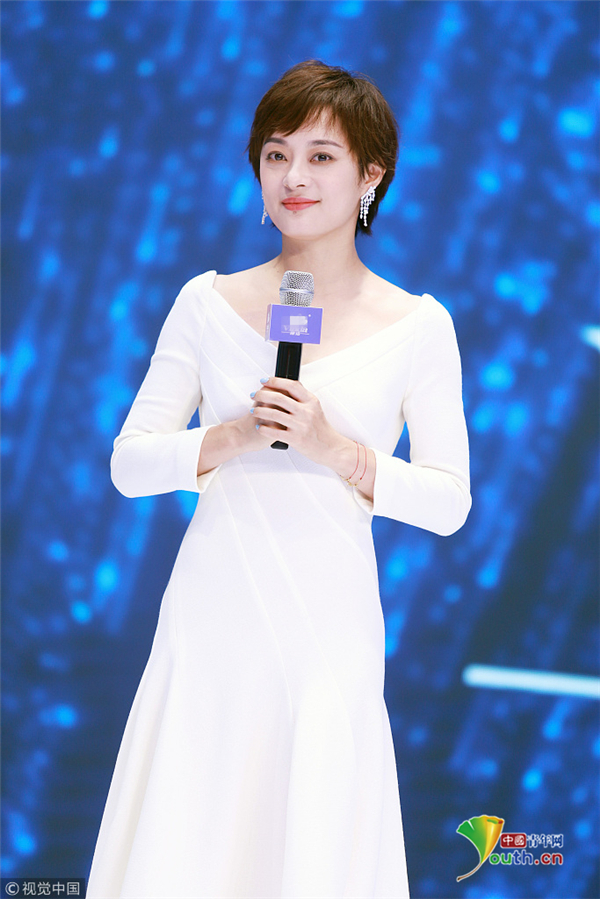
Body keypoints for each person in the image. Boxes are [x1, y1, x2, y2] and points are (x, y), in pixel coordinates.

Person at [87, 60, 471, 899]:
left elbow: (449, 501)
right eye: (276, 154)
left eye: (322, 156)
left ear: (371, 177)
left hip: (329, 621)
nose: (294, 176)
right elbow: (129, 462)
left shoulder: (419, 326)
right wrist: (232, 434)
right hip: (213, 612)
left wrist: (339, 450)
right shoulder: (206, 302)